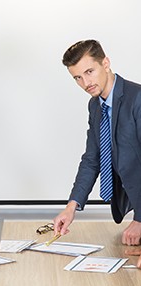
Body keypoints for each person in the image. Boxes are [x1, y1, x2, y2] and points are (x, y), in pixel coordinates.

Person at [52, 40, 141, 268]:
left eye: (89, 72)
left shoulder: (137, 99)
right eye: (77, 78)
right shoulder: (96, 106)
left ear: (106, 63)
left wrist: (140, 219)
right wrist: (72, 207)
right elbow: (92, 159)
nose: (85, 83)